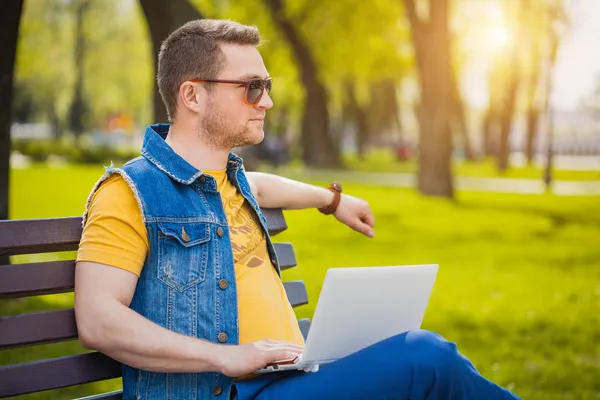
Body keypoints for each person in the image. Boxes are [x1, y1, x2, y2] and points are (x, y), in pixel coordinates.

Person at [74, 19, 520, 400]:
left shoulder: (228, 182)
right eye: (252, 88)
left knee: (414, 353)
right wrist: (227, 357)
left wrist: (333, 200)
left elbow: (262, 187)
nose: (266, 101)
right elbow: (97, 320)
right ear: (192, 95)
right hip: (231, 390)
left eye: (266, 87)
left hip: (287, 379)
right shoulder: (130, 193)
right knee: (427, 358)